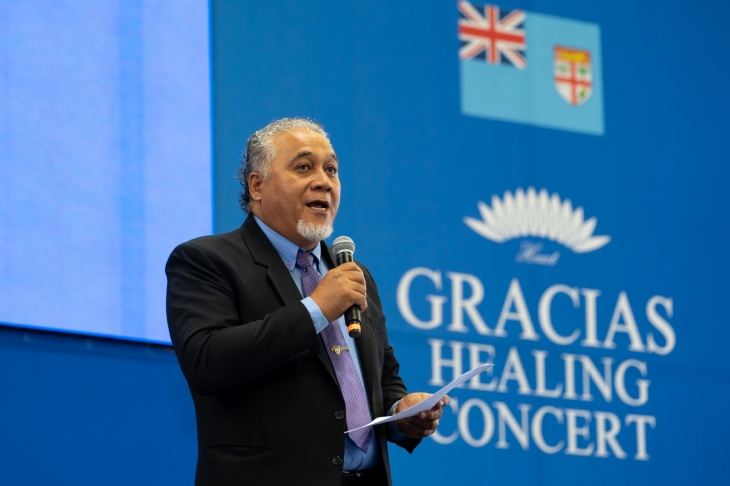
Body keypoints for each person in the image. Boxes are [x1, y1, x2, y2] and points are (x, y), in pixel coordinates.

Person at [166, 118, 448, 486]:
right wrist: (315, 309)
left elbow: (384, 380)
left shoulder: (352, 274)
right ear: (257, 186)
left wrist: (401, 413)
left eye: (331, 169)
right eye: (303, 167)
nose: (324, 182)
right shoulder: (206, 261)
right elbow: (208, 362)